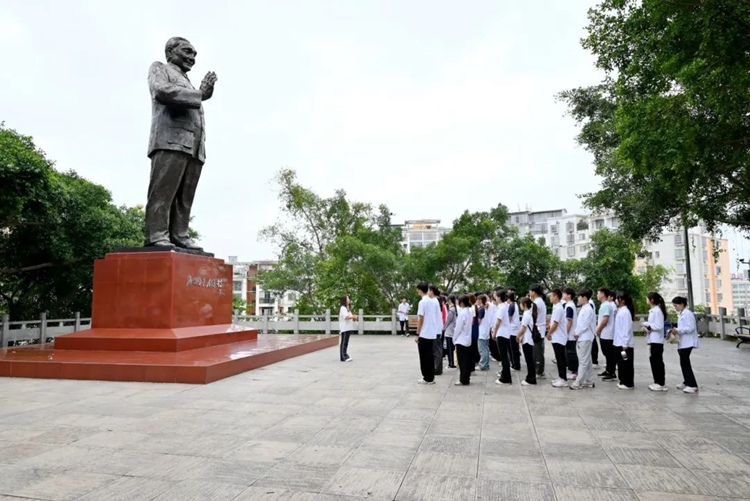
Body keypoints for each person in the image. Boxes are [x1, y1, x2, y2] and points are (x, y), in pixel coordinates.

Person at [669, 296, 700, 393]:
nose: (675, 308)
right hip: (683, 342)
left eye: (676, 306)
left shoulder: (688, 314)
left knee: (685, 363)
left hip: (688, 342)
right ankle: (687, 381)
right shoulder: (681, 314)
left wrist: (678, 330)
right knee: (683, 363)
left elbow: (690, 328)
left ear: (682, 304)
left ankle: (692, 385)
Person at [570, 288, 596, 390]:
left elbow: (585, 324)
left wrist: (577, 332)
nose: (578, 299)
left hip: (585, 337)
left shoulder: (588, 309)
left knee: (583, 361)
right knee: (587, 360)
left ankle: (578, 382)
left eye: (579, 297)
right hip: (582, 337)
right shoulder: (584, 308)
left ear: (584, 298)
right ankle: (589, 380)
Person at [642, 292, 668, 392]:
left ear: (651, 300)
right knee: (653, 361)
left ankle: (661, 383)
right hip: (652, 339)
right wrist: (646, 325)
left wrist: (647, 326)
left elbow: (659, 326)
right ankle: (656, 381)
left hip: (657, 341)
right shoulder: (653, 311)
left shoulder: (657, 311)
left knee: (657, 362)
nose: (646, 300)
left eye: (647, 298)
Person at [415, 282, 440, 385]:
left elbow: (420, 318)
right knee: (430, 356)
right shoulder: (432, 301)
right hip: (431, 332)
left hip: (424, 333)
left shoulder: (422, 302)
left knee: (424, 357)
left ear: (420, 290)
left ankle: (427, 378)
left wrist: (417, 333)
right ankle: (431, 376)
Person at [614, 291, 635, 390]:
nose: (616, 300)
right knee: (621, 362)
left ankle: (628, 382)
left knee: (626, 362)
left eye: (617, 298)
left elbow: (626, 329)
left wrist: (625, 343)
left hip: (624, 344)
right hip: (620, 343)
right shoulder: (621, 311)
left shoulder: (625, 312)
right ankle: (622, 380)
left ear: (622, 300)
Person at [547, 289, 568, 388]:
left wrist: (549, 333)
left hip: (559, 337)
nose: (550, 298)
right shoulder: (556, 307)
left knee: (560, 359)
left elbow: (555, 324)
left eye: (551, 296)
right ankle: (560, 377)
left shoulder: (559, 308)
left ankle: (563, 379)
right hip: (556, 337)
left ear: (556, 296)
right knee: (559, 358)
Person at [596, 288, 616, 381]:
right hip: (605, 334)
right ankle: (608, 370)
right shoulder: (604, 305)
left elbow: (605, 320)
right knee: (607, 353)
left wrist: (598, 329)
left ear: (603, 294)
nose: (597, 295)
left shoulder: (606, 305)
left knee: (609, 354)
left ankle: (611, 373)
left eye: (598, 293)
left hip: (607, 334)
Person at [453, 294, 473, 385]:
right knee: (466, 360)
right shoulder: (469, 311)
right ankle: (466, 378)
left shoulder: (462, 313)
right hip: (467, 339)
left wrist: (454, 338)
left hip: (461, 340)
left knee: (462, 362)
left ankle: (463, 379)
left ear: (461, 303)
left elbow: (458, 328)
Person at [493, 289, 513, 385]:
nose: (495, 298)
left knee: (504, 356)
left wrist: (494, 332)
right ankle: (505, 375)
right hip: (504, 333)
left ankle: (505, 378)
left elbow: (498, 322)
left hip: (501, 333)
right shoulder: (504, 306)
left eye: (496, 296)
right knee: (504, 355)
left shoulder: (502, 307)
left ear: (499, 297)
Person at [517, 297, 538, 386]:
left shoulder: (526, 315)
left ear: (525, 305)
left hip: (527, 340)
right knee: (529, 360)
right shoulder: (528, 314)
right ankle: (530, 377)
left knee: (529, 360)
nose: (520, 305)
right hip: (527, 339)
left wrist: (517, 336)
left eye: (520, 304)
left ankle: (531, 378)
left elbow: (523, 328)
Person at [528, 284, 547, 379]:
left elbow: (532, 316)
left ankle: (539, 371)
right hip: (540, 329)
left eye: (530, 291)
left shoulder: (536, 303)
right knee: (538, 351)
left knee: (537, 352)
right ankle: (539, 370)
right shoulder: (539, 301)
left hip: (537, 330)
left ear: (534, 292)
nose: (529, 292)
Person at [562, 287, 579, 379]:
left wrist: (565, 332)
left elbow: (569, 321)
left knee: (571, 353)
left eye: (564, 293)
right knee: (570, 353)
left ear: (569, 295)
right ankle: (573, 371)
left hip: (570, 334)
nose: (563, 295)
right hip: (570, 334)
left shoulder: (569, 306)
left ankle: (575, 372)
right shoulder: (569, 305)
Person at [429, 286, 444, 376]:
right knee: (437, 349)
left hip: (436, 329)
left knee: (436, 350)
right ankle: (438, 368)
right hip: (436, 329)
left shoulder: (434, 301)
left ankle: (437, 368)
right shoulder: (436, 301)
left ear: (431, 291)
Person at [338, 295, 357, 362]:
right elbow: (346, 317)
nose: (349, 300)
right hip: (344, 328)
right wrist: (353, 317)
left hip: (348, 327)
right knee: (344, 342)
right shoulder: (343, 308)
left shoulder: (347, 308)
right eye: (348, 299)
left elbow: (350, 316)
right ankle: (343, 357)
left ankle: (345, 354)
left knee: (346, 342)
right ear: (345, 300)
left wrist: (354, 317)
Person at [506, 289, 521, 371]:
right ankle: (515, 364)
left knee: (513, 349)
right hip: (515, 329)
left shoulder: (511, 306)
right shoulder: (515, 304)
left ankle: (515, 365)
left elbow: (508, 318)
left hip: (512, 330)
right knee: (514, 348)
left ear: (509, 298)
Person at [477, 294, 492, 371]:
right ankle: (485, 364)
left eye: (477, 299)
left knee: (482, 350)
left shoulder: (481, 309)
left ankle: (483, 365)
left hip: (481, 332)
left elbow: (479, 321)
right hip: (485, 331)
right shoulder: (485, 308)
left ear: (480, 300)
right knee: (485, 349)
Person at [444, 295, 458, 369]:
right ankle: (452, 362)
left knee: (449, 348)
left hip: (449, 330)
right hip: (453, 330)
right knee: (452, 347)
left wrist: (443, 328)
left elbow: (448, 320)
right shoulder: (455, 308)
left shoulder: (451, 309)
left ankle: (451, 363)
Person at [469, 294, 480, 371]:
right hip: (475, 326)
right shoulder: (475, 307)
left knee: (473, 343)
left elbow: (472, 320)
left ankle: (475, 359)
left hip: (473, 327)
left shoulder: (473, 307)